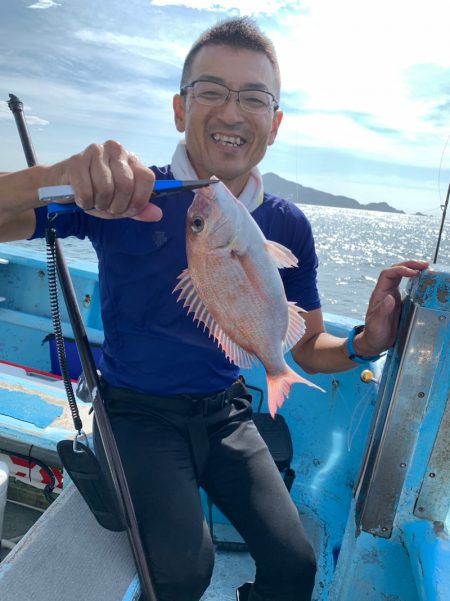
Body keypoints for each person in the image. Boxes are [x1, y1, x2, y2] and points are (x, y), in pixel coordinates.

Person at [0, 17, 427, 601]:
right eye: (211, 92)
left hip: (225, 414)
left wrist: (366, 344)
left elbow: (305, 346)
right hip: (134, 415)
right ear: (179, 110)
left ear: (273, 125)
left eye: (253, 98)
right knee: (181, 574)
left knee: (295, 566)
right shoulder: (126, 195)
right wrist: (57, 178)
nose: (231, 112)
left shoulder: (287, 224)